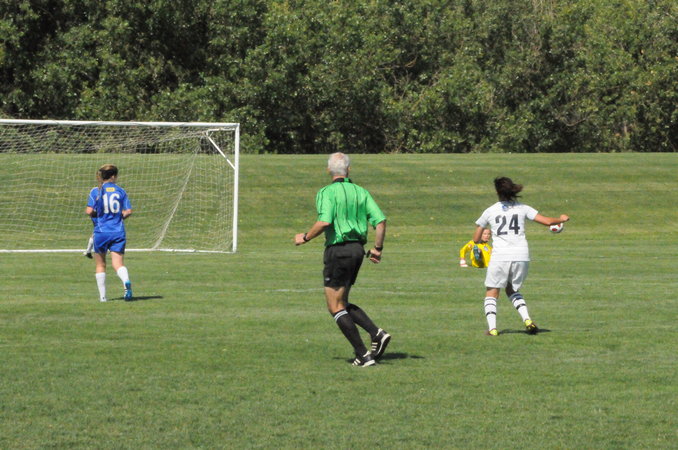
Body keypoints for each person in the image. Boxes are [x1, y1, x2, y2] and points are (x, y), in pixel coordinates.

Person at [294, 152, 390, 367]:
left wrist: (305, 237)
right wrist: (377, 249)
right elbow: (381, 222)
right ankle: (377, 333)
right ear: (348, 170)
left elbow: (324, 222)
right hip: (357, 250)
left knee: (334, 306)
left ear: (328, 170)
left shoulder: (326, 192)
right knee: (343, 302)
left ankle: (362, 355)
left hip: (338, 250)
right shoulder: (361, 192)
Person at [474, 176, 569, 336]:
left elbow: (476, 238)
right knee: (512, 289)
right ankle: (527, 320)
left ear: (497, 192)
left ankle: (492, 329)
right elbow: (547, 222)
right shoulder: (523, 208)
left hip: (500, 256)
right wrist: (561, 219)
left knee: (492, 291)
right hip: (521, 255)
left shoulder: (490, 211)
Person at [85, 164, 133, 302]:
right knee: (118, 264)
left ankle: (103, 297)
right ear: (113, 176)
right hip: (118, 231)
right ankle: (126, 282)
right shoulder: (121, 191)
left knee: (100, 265)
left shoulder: (97, 191)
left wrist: (99, 215)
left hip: (101, 232)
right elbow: (128, 211)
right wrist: (118, 217)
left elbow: (89, 211)